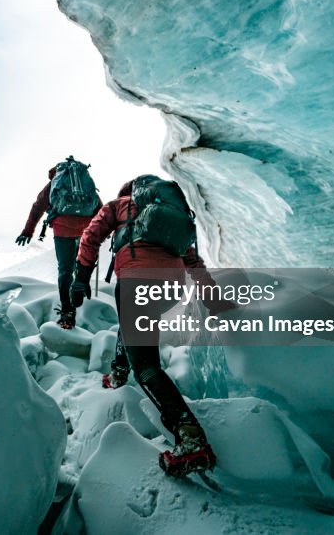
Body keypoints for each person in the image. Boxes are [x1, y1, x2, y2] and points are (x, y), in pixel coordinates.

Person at [69, 175, 221, 476]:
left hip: (137, 280)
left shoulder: (120, 205)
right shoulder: (170, 215)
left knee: (147, 366)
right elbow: (191, 257)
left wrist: (80, 278)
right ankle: (118, 372)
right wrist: (212, 295)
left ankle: (190, 436)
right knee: (132, 328)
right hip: (170, 287)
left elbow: (91, 235)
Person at [16, 157, 101, 330]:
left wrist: (28, 231)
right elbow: (100, 207)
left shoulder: (55, 183)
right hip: (87, 228)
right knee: (83, 263)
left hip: (63, 230)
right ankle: (81, 285)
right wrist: (102, 230)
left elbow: (38, 206)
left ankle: (67, 313)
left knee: (65, 269)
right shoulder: (85, 181)